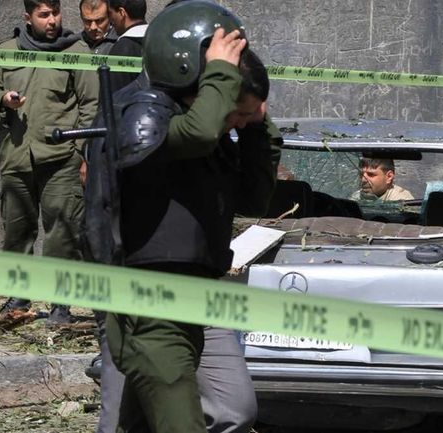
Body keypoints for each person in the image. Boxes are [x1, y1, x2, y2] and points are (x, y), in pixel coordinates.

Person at [87, 2, 280, 431]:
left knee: (229, 410)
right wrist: (221, 76)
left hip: (196, 296)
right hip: (144, 299)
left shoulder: (213, 135)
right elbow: (194, 134)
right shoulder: (143, 115)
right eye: (234, 110)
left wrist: (259, 127)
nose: (236, 121)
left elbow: (253, 197)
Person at [0, 0, 98, 324]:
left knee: (62, 232)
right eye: (44, 14)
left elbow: (90, 103)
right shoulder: (6, 50)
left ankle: (61, 305)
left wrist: (79, 148)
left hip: (60, 158)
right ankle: (17, 298)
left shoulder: (76, 51)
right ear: (27, 17)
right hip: (16, 155)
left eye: (55, 12)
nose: (52, 20)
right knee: (17, 231)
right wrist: (3, 99)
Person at [107, 0, 147, 92]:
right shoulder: (159, 41)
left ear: (121, 13)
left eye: (110, 13)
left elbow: (114, 98)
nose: (110, 20)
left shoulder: (121, 49)